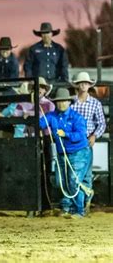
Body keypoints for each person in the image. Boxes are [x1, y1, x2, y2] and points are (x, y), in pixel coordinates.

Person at [39, 88, 91, 219]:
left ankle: (78, 210)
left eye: (64, 101)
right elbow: (40, 123)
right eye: (59, 101)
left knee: (73, 180)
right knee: (61, 180)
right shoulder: (51, 116)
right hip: (63, 153)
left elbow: (81, 135)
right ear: (56, 103)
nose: (61, 104)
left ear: (69, 102)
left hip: (79, 152)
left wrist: (66, 134)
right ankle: (69, 205)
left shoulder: (77, 117)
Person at [70, 72, 106, 214]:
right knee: (74, 174)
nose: (84, 85)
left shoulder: (95, 103)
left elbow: (101, 123)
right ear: (78, 85)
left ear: (89, 85)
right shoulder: (71, 102)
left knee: (85, 174)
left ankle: (84, 204)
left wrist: (94, 136)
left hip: (86, 142)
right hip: (72, 141)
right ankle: (77, 205)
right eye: (81, 83)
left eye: (86, 83)